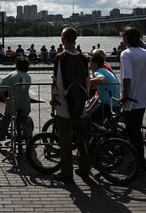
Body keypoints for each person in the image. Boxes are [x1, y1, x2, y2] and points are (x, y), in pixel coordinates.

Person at [51, 27, 90, 183]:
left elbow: (58, 82)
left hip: (64, 106)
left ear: (63, 39)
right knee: (82, 138)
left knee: (65, 140)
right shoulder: (83, 57)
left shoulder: (60, 57)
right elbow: (87, 81)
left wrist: (54, 98)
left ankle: (67, 173)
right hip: (81, 104)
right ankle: (84, 168)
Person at [120, 27, 146, 174]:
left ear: (126, 39)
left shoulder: (126, 54)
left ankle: (138, 164)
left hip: (131, 100)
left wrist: (124, 96)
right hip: (143, 98)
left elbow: (127, 77)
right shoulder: (145, 52)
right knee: (136, 130)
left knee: (133, 134)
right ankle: (139, 161)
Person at [0, 56, 32, 146]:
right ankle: (29, 139)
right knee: (25, 119)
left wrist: (5, 98)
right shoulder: (28, 76)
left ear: (17, 65)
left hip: (13, 102)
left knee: (5, 119)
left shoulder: (12, 74)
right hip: (25, 102)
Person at [89, 54, 120, 125]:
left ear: (95, 63)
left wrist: (87, 81)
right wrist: (89, 109)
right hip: (114, 104)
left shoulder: (99, 71)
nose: (90, 64)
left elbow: (101, 79)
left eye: (90, 62)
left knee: (88, 120)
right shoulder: (104, 70)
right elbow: (99, 96)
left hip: (107, 106)